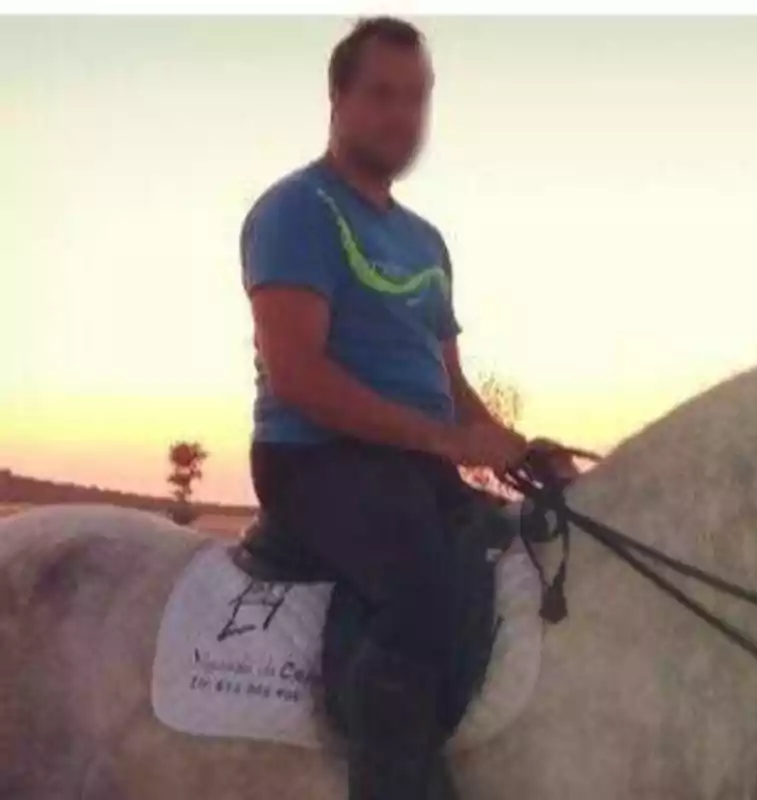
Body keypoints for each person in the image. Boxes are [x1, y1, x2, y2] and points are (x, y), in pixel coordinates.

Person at [239, 16, 578, 799]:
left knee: (524, 560)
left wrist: (515, 448)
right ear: (338, 99)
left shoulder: (425, 241)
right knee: (424, 593)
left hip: (412, 469)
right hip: (315, 463)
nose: (403, 115)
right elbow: (298, 377)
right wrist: (445, 439)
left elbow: (448, 382)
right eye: (382, 95)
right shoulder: (298, 211)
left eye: (417, 97)